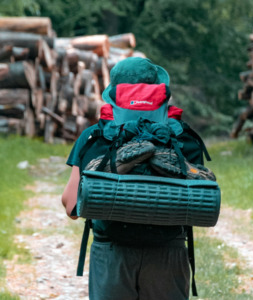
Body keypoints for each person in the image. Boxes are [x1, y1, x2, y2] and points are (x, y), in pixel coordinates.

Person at [62, 57, 214, 300]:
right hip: (169, 252)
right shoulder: (182, 138)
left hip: (112, 251)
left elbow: (72, 207)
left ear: (112, 95)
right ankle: (157, 156)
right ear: (160, 94)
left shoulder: (94, 136)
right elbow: (196, 203)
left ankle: (108, 170)